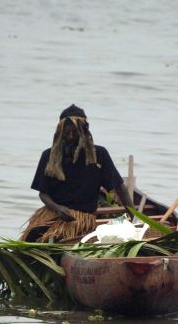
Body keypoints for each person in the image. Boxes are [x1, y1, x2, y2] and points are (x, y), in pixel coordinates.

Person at [22, 104, 134, 242]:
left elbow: (120, 188)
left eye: (74, 132)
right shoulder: (49, 156)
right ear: (60, 131)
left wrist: (135, 218)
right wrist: (58, 208)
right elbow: (43, 194)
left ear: (84, 131)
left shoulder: (98, 155)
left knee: (60, 240)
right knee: (32, 236)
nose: (70, 136)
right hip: (52, 212)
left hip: (80, 219)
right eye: (66, 132)